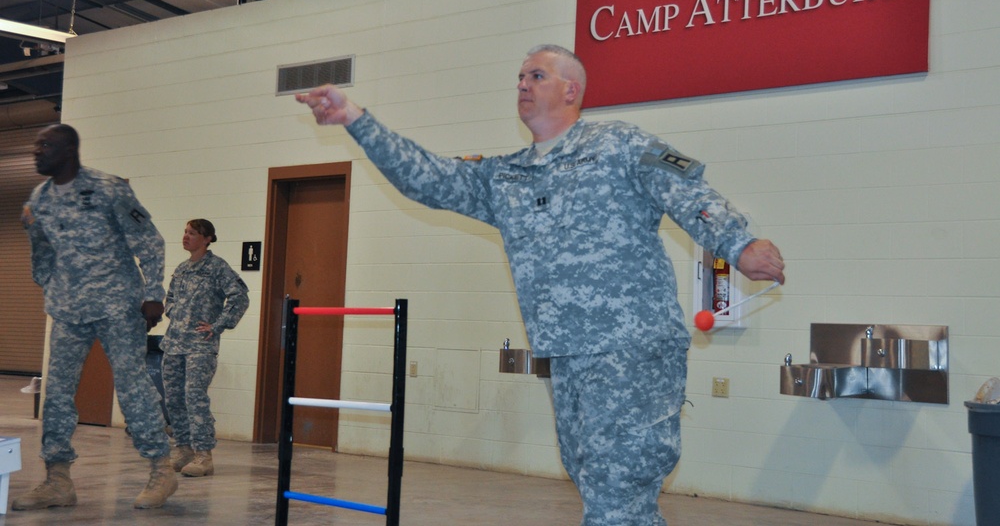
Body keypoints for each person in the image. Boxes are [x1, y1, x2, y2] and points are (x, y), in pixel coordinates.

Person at [296, 44, 786, 526]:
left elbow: (689, 191)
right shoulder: (507, 176)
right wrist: (358, 120)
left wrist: (738, 243)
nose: (522, 85)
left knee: (618, 491)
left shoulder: (619, 143)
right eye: (520, 78)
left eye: (536, 76)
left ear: (571, 89)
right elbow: (427, 178)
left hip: (631, 349)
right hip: (565, 353)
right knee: (596, 483)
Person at [15, 124, 177, 511]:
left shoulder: (108, 189)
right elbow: (40, 254)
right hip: (68, 310)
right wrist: (53, 287)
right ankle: (57, 480)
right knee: (55, 392)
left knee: (132, 386)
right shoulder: (38, 202)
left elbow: (150, 242)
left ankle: (161, 469)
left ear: (70, 150)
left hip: (118, 305)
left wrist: (154, 294)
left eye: (46, 145)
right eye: (37, 144)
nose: (37, 151)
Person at [162, 219, 249, 477]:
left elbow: (240, 297)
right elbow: (170, 300)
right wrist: (174, 311)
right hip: (174, 343)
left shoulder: (217, 267)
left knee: (194, 397)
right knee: (174, 399)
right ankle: (184, 448)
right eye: (185, 232)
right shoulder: (181, 269)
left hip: (201, 346)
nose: (186, 237)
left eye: (192, 233)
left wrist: (218, 324)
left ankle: (203, 456)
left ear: (207, 238)